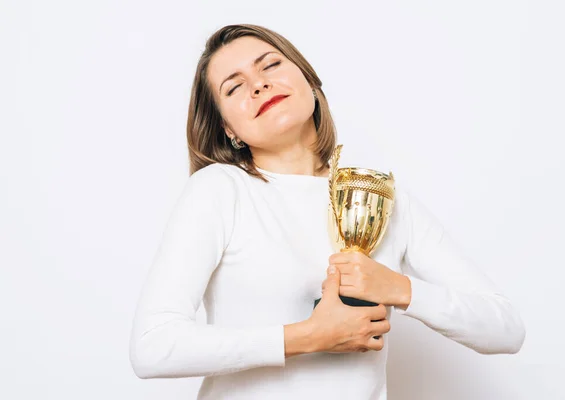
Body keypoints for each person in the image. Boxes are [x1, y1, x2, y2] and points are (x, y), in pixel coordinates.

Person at [128, 24, 525, 399]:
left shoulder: (382, 199)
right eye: (235, 87)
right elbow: (152, 345)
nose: (260, 84)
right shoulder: (220, 190)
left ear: (309, 81)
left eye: (271, 65)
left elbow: (505, 329)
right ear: (228, 129)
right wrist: (309, 336)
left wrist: (399, 289)